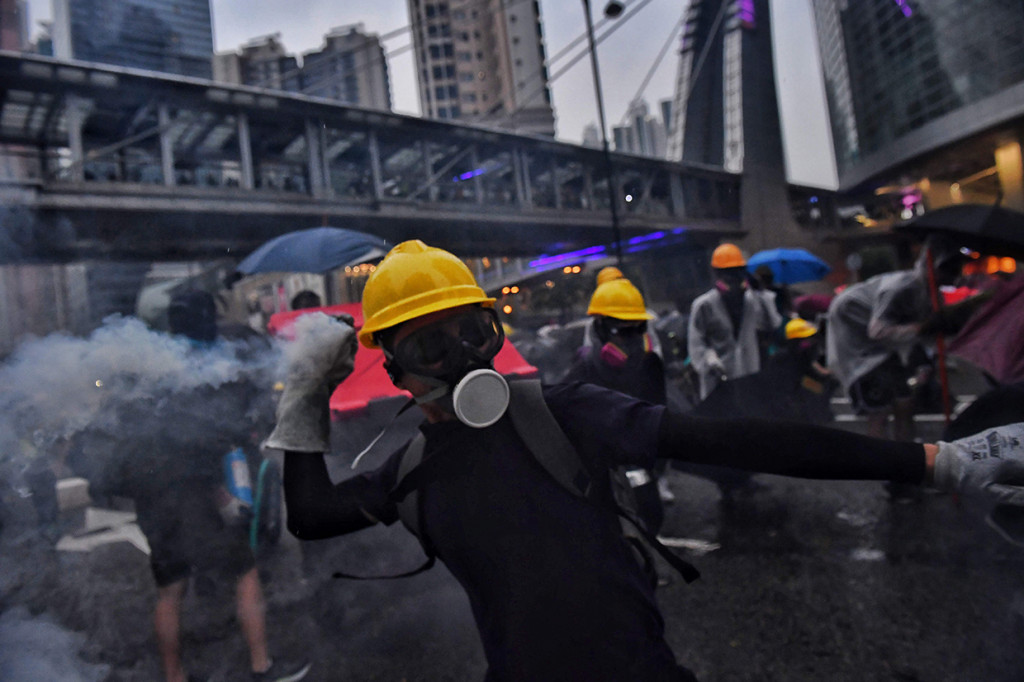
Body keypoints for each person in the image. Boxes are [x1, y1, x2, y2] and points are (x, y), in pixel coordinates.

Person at [271, 239, 1024, 682]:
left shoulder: (564, 411)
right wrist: (303, 395)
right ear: (397, 372)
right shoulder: (411, 470)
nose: (467, 359)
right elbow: (310, 515)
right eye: (432, 346)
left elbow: (741, 439)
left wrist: (933, 460)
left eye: (474, 331)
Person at [111, 290, 310, 682]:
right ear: (206, 321)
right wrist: (221, 490)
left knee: (170, 589)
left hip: (153, 498)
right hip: (197, 494)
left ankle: (174, 676)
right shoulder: (203, 366)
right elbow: (203, 437)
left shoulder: (145, 364)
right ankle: (261, 666)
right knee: (245, 573)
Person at [825, 236, 978, 442]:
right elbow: (878, 331)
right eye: (949, 269)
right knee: (878, 411)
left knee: (905, 404)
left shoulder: (929, 296)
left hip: (886, 351)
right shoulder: (901, 288)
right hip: (859, 344)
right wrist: (922, 328)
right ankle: (881, 462)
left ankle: (905, 456)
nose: (954, 275)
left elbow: (926, 340)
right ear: (934, 267)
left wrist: (926, 361)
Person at [563, 277, 669, 532]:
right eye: (621, 331)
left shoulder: (650, 365)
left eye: (637, 329)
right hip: (601, 477)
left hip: (640, 468)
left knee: (652, 520)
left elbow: (660, 418)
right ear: (599, 330)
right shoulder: (581, 374)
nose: (631, 340)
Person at [688, 243, 783, 401]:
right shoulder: (704, 305)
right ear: (716, 274)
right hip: (717, 383)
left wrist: (761, 292)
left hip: (748, 378)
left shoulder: (753, 300)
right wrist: (710, 360)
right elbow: (696, 343)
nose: (732, 278)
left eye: (736, 272)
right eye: (727, 273)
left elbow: (773, 323)